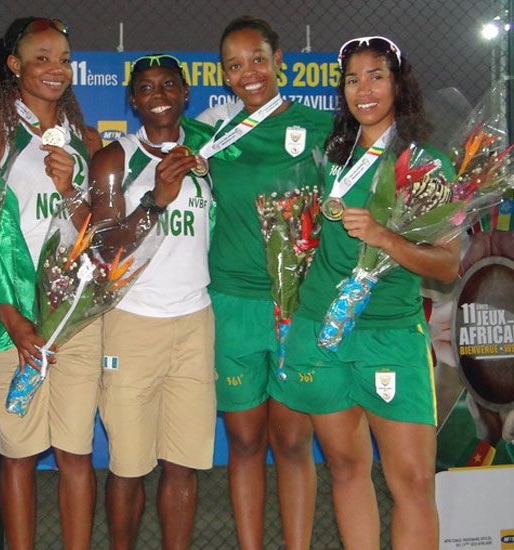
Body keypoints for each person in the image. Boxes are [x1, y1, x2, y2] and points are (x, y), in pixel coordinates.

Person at [278, 36, 459, 549]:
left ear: (399, 84)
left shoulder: (425, 164)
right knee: (348, 469)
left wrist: (383, 236)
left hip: (390, 335)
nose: (364, 89)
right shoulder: (331, 157)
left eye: (376, 75)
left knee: (414, 484)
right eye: (353, 79)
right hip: (323, 332)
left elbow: (448, 265)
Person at [0, 17, 102, 550]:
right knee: (18, 452)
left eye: (64, 59)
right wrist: (12, 317)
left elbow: (99, 231)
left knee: (75, 453)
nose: (56, 69)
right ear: (15, 66)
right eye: (41, 58)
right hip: (13, 320)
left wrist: (72, 189)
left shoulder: (88, 140)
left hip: (75, 318)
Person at [202, 15, 333, 549]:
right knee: (245, 441)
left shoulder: (322, 128)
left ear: (281, 61)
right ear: (223, 74)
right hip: (231, 306)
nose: (248, 73)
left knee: (293, 441)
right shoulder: (210, 133)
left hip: (294, 309)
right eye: (235, 65)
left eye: (258, 59)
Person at [89, 54, 216, 550]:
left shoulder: (208, 156)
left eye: (169, 85)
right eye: (146, 87)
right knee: (128, 466)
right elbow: (102, 248)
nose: (158, 94)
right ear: (133, 99)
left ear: (186, 94)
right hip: (132, 322)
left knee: (182, 464)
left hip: (193, 321)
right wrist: (157, 200)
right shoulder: (114, 159)